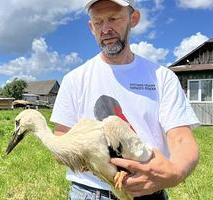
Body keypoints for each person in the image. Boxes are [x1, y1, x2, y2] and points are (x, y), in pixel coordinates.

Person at [50, 0, 200, 199]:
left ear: (133, 18)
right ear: (91, 28)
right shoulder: (74, 80)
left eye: (114, 18)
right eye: (98, 22)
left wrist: (175, 173)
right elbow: (61, 136)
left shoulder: (162, 77)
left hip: (150, 192)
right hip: (89, 193)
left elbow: (182, 138)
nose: (106, 29)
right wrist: (101, 166)